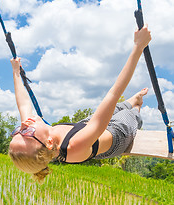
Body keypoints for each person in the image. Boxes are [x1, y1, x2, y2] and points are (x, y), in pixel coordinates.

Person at [9, 25, 152, 183]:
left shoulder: (38, 135)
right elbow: (113, 94)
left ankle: (132, 100)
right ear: (49, 143)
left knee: (119, 106)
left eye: (17, 132)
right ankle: (137, 104)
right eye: (26, 133)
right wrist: (138, 47)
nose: (23, 125)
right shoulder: (74, 146)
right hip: (118, 136)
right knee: (129, 114)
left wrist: (16, 72)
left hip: (87, 126)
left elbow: (23, 104)